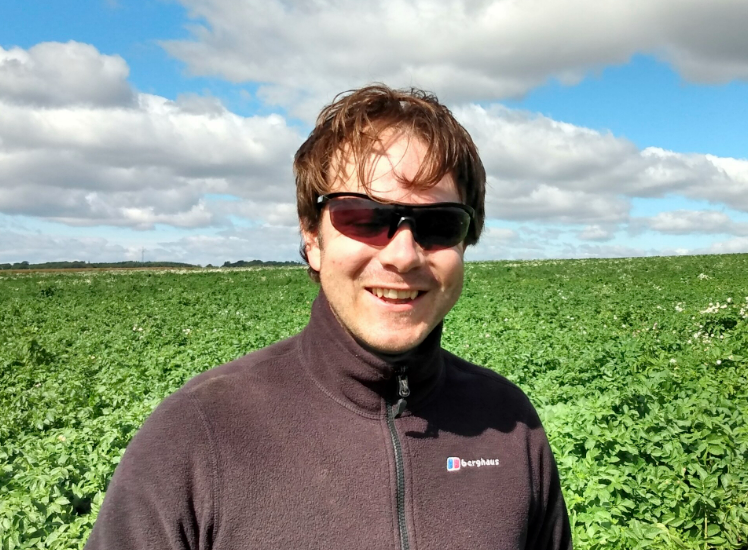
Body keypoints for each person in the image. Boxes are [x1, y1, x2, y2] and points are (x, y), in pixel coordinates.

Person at [85, 84, 572, 550]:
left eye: (439, 223)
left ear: (465, 242)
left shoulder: (509, 423)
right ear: (312, 240)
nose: (403, 256)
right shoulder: (196, 432)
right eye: (363, 216)